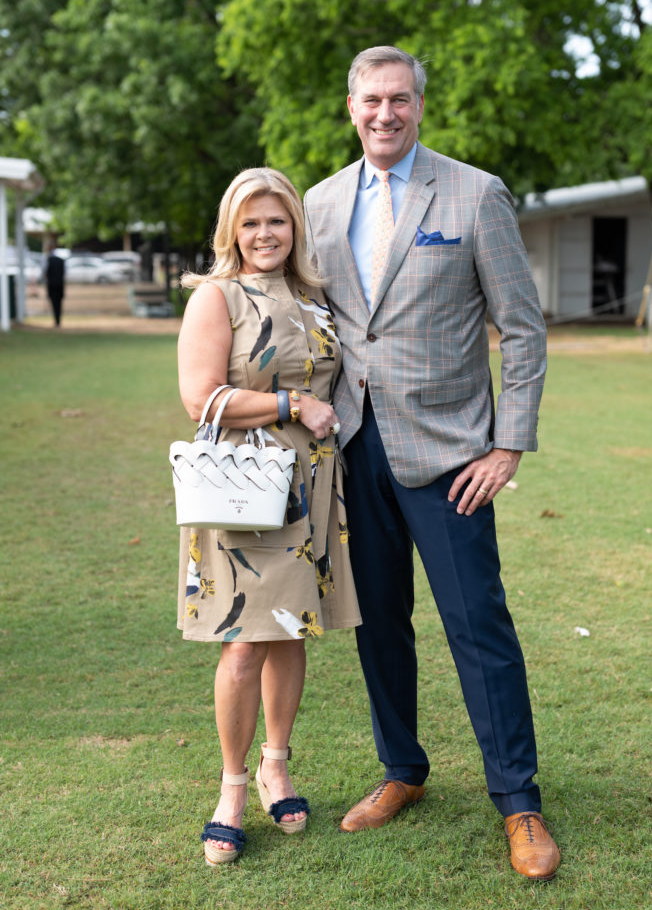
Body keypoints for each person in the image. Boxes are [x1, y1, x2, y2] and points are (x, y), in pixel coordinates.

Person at [303, 46, 560, 881]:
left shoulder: (473, 193)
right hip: (352, 446)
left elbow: (520, 327)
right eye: (371, 100)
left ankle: (517, 800)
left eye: (400, 100)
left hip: (451, 454)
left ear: (419, 105)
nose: (385, 113)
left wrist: (507, 444)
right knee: (377, 623)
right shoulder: (319, 202)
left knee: (477, 626)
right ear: (350, 106)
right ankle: (402, 771)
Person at [176, 167, 361, 867]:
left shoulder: (315, 298)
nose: (264, 234)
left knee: (290, 634)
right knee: (243, 641)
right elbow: (201, 399)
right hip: (244, 489)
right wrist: (292, 407)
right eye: (250, 222)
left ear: (294, 228)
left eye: (276, 221)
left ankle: (275, 764)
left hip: (313, 485)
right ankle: (230, 789)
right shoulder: (216, 297)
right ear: (232, 230)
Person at [45, 243, 65, 327]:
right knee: (59, 303)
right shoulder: (61, 260)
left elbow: (45, 272)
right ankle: (58, 321)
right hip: (60, 284)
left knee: (53, 302)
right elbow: (64, 272)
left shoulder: (47, 260)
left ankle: (56, 320)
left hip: (51, 285)